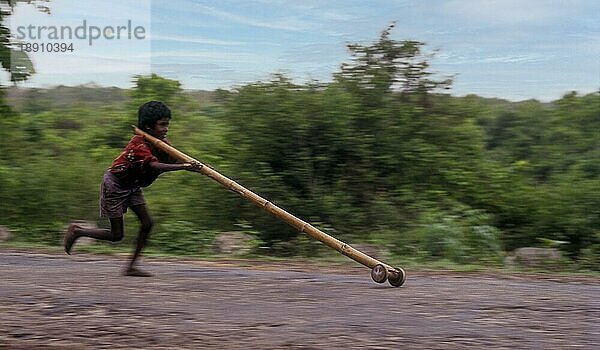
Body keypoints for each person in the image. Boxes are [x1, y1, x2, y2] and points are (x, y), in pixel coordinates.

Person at [64, 100, 199, 277]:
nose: (166, 129)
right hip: (115, 185)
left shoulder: (162, 142)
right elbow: (154, 166)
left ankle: (131, 267)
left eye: (167, 125)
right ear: (148, 127)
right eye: (162, 125)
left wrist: (198, 167)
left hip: (132, 186)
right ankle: (77, 231)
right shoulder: (138, 145)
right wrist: (185, 167)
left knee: (147, 223)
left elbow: (171, 159)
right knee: (116, 235)